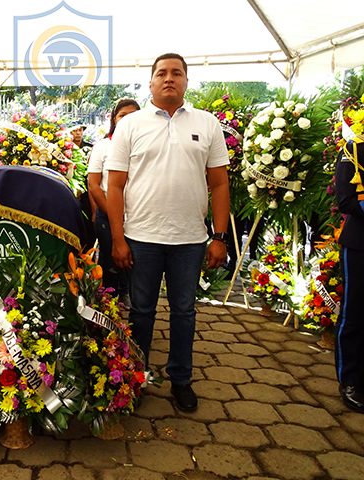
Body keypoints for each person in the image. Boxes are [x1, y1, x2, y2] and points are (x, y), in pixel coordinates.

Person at [106, 53, 230, 412]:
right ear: (151, 82)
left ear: (187, 81)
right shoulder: (131, 125)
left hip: (189, 240)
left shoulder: (207, 123)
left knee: (184, 312)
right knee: (141, 313)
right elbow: (115, 186)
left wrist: (219, 237)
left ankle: (181, 380)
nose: (169, 78)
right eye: (162, 73)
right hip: (141, 238)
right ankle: (136, 378)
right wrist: (117, 238)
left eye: (177, 73)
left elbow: (220, 184)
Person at [87, 98, 140, 306]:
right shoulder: (103, 146)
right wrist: (113, 213)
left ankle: (127, 294)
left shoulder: (146, 145)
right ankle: (107, 300)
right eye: (122, 115)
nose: (127, 120)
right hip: (108, 212)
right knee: (110, 260)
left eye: (133, 115)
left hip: (138, 214)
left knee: (134, 259)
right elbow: (94, 184)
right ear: (114, 119)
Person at [335, 135, 364, 412]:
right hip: (360, 245)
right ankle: (350, 380)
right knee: (354, 314)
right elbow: (346, 200)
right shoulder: (354, 148)